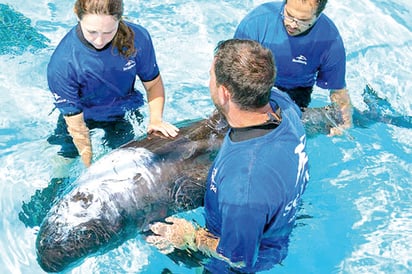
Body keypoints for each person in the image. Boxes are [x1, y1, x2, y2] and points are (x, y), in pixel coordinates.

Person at [146, 39, 309, 273]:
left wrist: (191, 236)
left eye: (211, 75)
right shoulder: (281, 104)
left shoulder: (244, 185)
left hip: (236, 258)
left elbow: (238, 258)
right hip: (272, 217)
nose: (208, 79)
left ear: (224, 92)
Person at [46, 0, 178, 167]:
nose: (100, 41)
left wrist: (156, 119)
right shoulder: (63, 63)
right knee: (65, 162)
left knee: (131, 162)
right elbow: (76, 125)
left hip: (121, 114)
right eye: (92, 32)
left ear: (119, 19)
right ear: (77, 16)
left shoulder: (138, 38)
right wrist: (88, 164)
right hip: (80, 117)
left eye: (108, 32)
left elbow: (153, 84)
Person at [234, 0, 352, 136]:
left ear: (318, 16)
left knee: (287, 132)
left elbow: (338, 91)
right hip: (256, 83)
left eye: (303, 20)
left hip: (296, 90)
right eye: (288, 15)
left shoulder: (330, 40)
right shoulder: (256, 22)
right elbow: (232, 69)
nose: (292, 24)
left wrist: (344, 123)